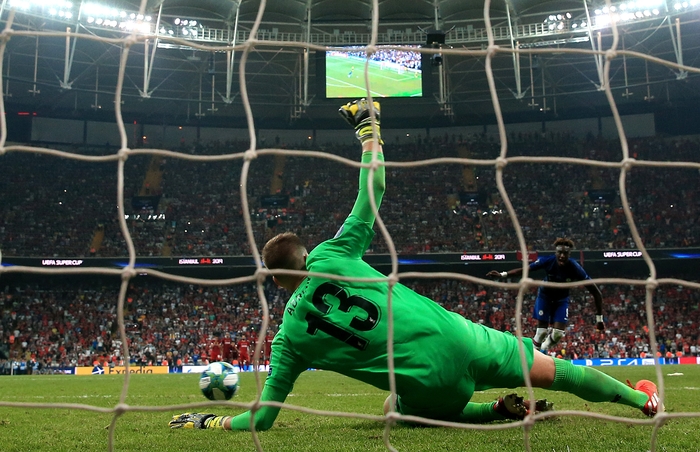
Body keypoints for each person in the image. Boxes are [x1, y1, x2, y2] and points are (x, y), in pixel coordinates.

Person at [169, 99, 661, 433]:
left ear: (276, 279)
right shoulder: (333, 254)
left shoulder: (287, 340)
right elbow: (375, 188)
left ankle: (490, 411)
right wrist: (368, 131)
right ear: (306, 254)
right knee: (560, 372)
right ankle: (643, 401)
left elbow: (261, 420)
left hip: (430, 383)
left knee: (394, 409)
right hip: (461, 335)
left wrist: (209, 421)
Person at [488, 238, 604, 353]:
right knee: (541, 332)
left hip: (561, 300)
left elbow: (596, 293)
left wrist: (599, 319)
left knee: (558, 334)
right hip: (545, 297)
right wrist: (502, 275)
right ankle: (533, 356)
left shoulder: (575, 268)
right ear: (556, 252)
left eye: (565, 253)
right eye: (560, 252)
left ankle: (543, 349)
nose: (562, 256)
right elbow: (524, 270)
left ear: (569, 254)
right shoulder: (548, 261)